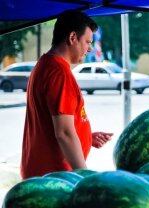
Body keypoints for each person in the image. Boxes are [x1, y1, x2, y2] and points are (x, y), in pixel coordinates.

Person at [21, 10, 113, 179]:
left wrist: (85, 136)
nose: (90, 48)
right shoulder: (59, 73)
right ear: (72, 38)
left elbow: (53, 121)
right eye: (87, 42)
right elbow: (63, 133)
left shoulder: (45, 64)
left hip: (42, 173)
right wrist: (85, 177)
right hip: (55, 177)